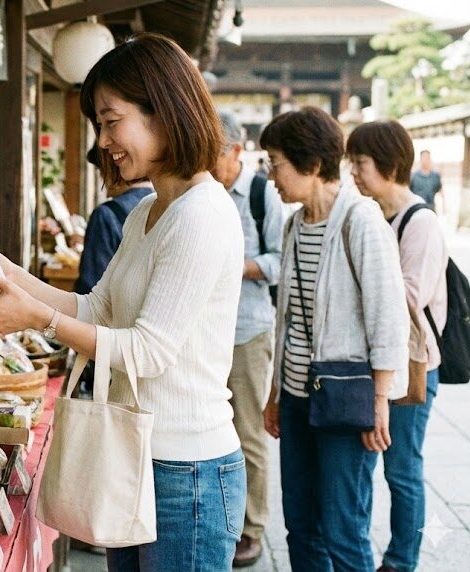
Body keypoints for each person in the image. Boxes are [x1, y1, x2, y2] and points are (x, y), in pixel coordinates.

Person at [0, 33, 247, 570]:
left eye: (112, 122)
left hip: (188, 475)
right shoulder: (148, 211)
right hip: (136, 458)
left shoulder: (201, 214)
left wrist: (36, 316)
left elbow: (148, 352)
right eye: (99, 125)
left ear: (165, 111)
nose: (104, 140)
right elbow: (96, 309)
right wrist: (7, 272)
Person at [260, 107, 410, 571]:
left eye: (277, 164)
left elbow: (388, 316)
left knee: (343, 528)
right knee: (299, 525)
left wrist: (380, 399)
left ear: (313, 164)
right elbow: (286, 319)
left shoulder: (361, 221)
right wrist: (274, 394)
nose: (271, 177)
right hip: (298, 399)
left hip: (345, 400)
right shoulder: (292, 225)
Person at [347, 120, 447, 572]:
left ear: (389, 165)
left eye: (361, 163)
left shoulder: (420, 221)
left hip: (412, 366)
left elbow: (407, 296)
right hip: (375, 363)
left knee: (402, 470)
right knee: (364, 464)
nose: (353, 172)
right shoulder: (374, 214)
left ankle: (402, 560)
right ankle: (359, 551)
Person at [211, 111, 284, 568]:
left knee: (248, 433)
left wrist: (237, 265)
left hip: (248, 330)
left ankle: (252, 528)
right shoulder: (201, 191)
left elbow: (280, 259)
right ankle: (222, 517)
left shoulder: (261, 194)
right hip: (205, 332)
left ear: (236, 151)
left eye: (212, 153)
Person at [74, 146, 153, 295]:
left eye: (101, 171)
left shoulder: (105, 215)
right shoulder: (162, 204)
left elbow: (90, 287)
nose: (102, 178)